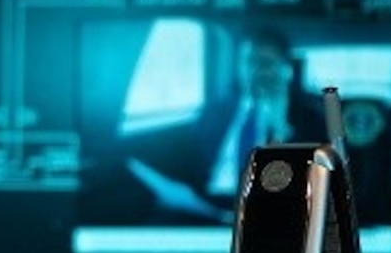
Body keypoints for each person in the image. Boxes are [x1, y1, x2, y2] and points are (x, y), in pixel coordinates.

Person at [124, 24, 330, 225]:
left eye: (265, 63)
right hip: (208, 206)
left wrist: (281, 128)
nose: (255, 71)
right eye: (248, 62)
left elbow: (311, 185)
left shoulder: (309, 117)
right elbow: (190, 160)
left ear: (287, 70)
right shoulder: (216, 111)